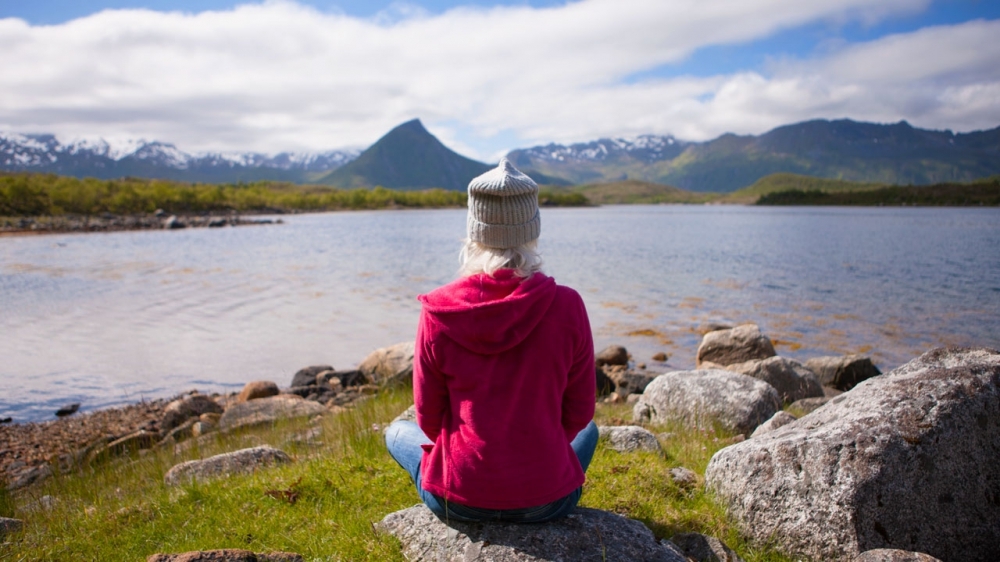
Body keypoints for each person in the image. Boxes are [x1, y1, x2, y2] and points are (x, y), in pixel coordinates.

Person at [384, 158, 598, 524]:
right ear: (532, 231)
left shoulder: (439, 311)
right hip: (547, 501)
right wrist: (535, 448)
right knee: (589, 432)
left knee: (396, 432)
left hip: (458, 499)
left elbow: (430, 419)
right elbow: (579, 413)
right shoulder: (568, 305)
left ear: (474, 233)